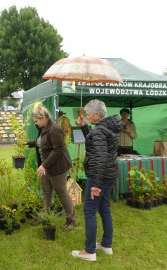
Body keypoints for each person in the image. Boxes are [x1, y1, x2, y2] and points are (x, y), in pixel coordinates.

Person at [71, 99, 121, 262]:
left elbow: (99, 157)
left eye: (88, 114)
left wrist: (96, 185)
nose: (86, 115)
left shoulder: (101, 130)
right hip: (109, 173)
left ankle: (89, 251)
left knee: (90, 210)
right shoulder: (106, 127)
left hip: (100, 175)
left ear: (97, 115)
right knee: (104, 207)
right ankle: (106, 245)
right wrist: (84, 126)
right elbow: (94, 144)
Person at [27, 102, 76, 231]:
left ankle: (71, 220)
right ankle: (44, 216)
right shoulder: (43, 129)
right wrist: (29, 143)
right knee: (46, 192)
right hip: (45, 167)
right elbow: (41, 143)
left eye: (36, 120)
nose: (35, 123)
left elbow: (58, 149)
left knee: (61, 192)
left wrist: (44, 165)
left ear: (43, 118)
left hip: (57, 167)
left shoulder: (55, 129)